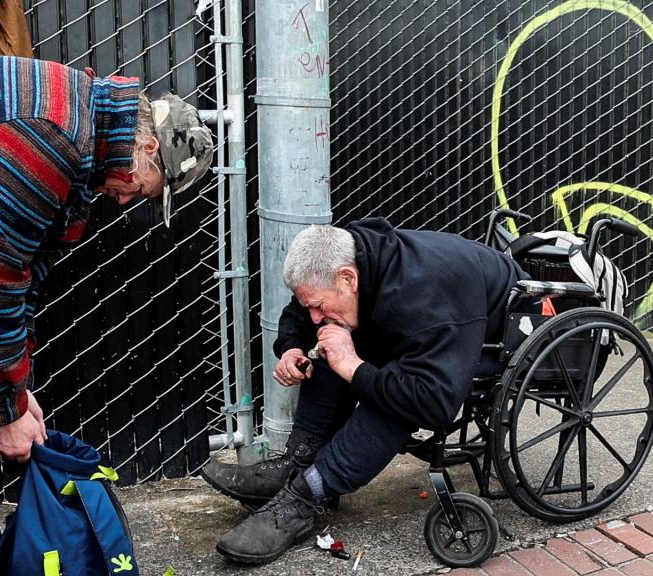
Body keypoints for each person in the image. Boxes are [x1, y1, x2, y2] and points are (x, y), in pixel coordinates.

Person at [0, 55, 213, 575]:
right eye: (146, 190)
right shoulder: (48, 139)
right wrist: (3, 411)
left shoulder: (80, 129)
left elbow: (19, 273)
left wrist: (13, 390)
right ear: (148, 149)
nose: (129, 202)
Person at [203, 218, 528, 565]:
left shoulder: (426, 296)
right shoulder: (344, 261)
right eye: (310, 305)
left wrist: (352, 367)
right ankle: (297, 464)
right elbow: (302, 309)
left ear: (348, 278)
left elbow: (431, 403)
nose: (313, 315)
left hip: (492, 340)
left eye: (317, 304)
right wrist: (291, 347)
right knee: (329, 337)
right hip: (422, 327)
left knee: (391, 397)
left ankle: (303, 498)